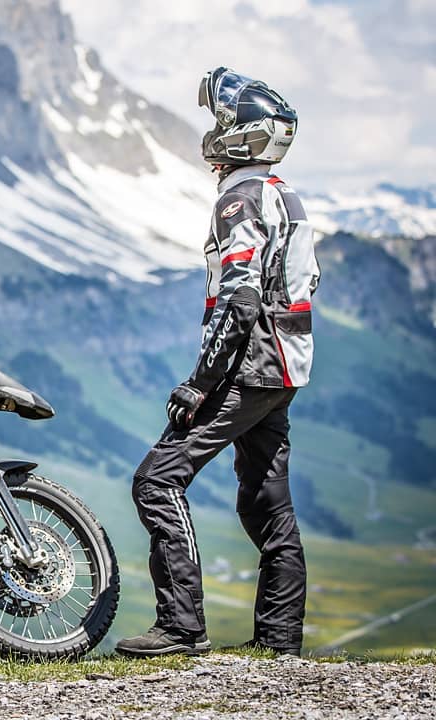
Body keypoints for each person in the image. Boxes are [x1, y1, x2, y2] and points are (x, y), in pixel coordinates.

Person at [116, 67, 319, 658]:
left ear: (242, 136)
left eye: (222, 122)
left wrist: (199, 383)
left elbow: (241, 295)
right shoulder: (285, 195)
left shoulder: (240, 198)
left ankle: (182, 626)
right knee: (265, 500)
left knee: (157, 479)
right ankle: (279, 643)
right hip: (284, 368)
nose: (215, 131)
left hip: (248, 366)